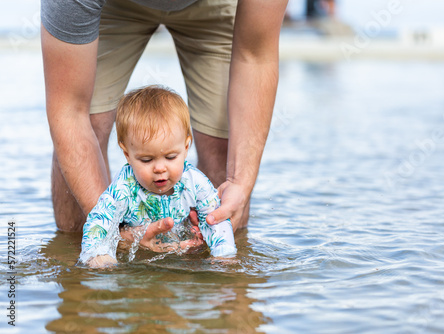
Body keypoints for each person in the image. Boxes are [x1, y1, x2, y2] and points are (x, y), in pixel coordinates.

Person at [41, 0, 288, 247]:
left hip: (212, 5)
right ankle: (81, 273)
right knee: (89, 133)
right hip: (112, 5)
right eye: (148, 161)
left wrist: (239, 182)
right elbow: (69, 110)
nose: (159, 168)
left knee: (223, 153)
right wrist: (111, 233)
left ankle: (210, 275)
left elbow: (255, 58)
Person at [80, 86, 237, 268]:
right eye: (146, 160)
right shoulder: (125, 186)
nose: (160, 168)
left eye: (171, 157)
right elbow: (99, 220)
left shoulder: (194, 182)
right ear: (127, 154)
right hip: (139, 255)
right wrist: (99, 256)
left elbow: (215, 220)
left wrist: (223, 255)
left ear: (186, 148)